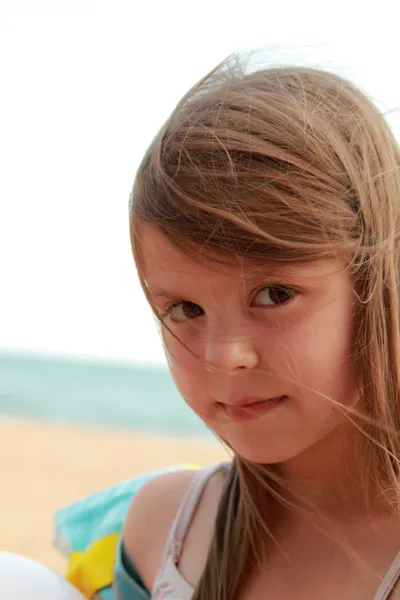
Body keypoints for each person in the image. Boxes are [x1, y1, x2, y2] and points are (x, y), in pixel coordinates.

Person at [116, 52, 400, 600]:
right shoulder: (165, 533)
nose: (225, 356)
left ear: (376, 285)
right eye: (185, 310)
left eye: (274, 295)